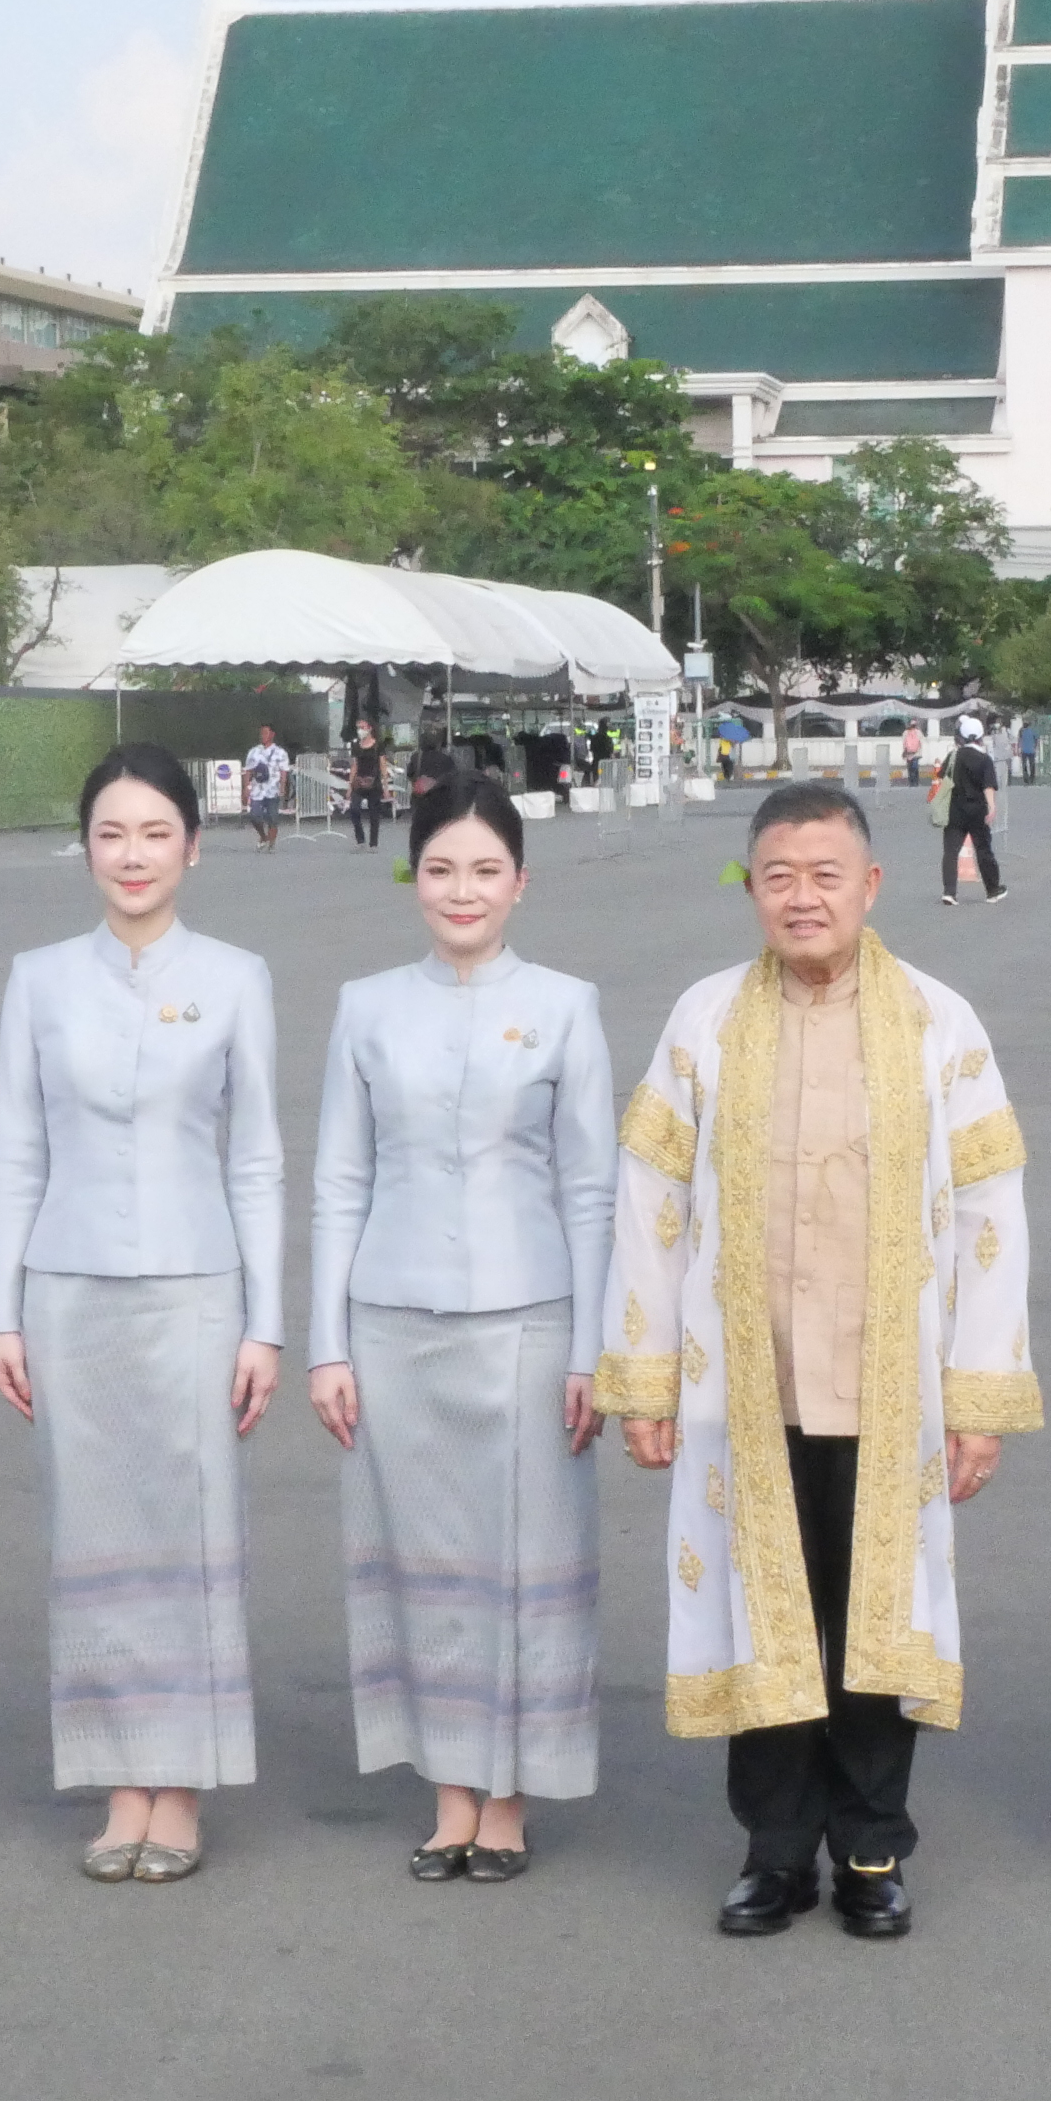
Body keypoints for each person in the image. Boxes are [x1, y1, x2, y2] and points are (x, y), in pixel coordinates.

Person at [595, 783, 1041, 1939]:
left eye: (825, 874)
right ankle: (775, 1849)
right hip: (746, 1381)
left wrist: (977, 1395)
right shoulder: (704, 1020)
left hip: (890, 1384)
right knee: (764, 1610)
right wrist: (643, 1374)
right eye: (779, 875)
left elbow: (991, 1212)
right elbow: (649, 1206)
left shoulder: (938, 1022)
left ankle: (872, 1848)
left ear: (870, 884)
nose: (803, 897)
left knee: (875, 1614)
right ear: (751, 887)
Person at [0, 744, 283, 1884]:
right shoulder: (39, 978)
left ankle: (183, 1782)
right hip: (68, 1292)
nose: (133, 854)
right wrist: (2, 1315)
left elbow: (256, 1158)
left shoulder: (237, 976)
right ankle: (120, 1783)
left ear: (193, 846)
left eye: (155, 832)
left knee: (191, 1537)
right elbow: (18, 1149)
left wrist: (265, 1323)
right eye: (111, 833)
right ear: (86, 848)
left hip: (197, 1292)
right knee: (94, 1535)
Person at [308, 775, 615, 1882]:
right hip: (391, 1323)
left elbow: (591, 1187)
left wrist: (591, 1349)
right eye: (440, 868)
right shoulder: (367, 1005)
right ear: (414, 878)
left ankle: (510, 1796)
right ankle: (449, 1793)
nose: (462, 889)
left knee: (524, 1565)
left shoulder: (567, 1005)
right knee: (422, 1563)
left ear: (520, 881)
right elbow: (340, 1180)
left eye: (485, 869)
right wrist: (326, 1342)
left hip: (528, 1323)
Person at [938, 713, 1006, 905]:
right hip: (977, 810)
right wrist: (991, 806)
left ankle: (949, 892)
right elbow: (988, 786)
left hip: (955, 809)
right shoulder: (984, 759)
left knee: (951, 851)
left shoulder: (954, 756)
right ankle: (992, 890)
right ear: (981, 736)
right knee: (983, 849)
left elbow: (942, 776)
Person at [242, 725, 292, 854]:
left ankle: (272, 843)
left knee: (272, 817)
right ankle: (263, 836)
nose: (263, 736)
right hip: (257, 789)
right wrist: (246, 787)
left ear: (272, 734)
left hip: (273, 789)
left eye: (266, 733)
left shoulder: (280, 753)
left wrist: (282, 787)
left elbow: (284, 771)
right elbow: (248, 770)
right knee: (254, 815)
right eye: (262, 733)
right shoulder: (254, 751)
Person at [344, 720, 389, 852]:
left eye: (362, 727)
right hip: (358, 782)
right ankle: (360, 840)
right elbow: (354, 766)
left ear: (369, 729)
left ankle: (373, 843)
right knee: (354, 809)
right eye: (358, 728)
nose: (360, 731)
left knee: (374, 813)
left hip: (374, 782)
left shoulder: (378, 745)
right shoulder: (356, 746)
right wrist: (349, 786)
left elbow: (383, 765)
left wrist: (386, 787)